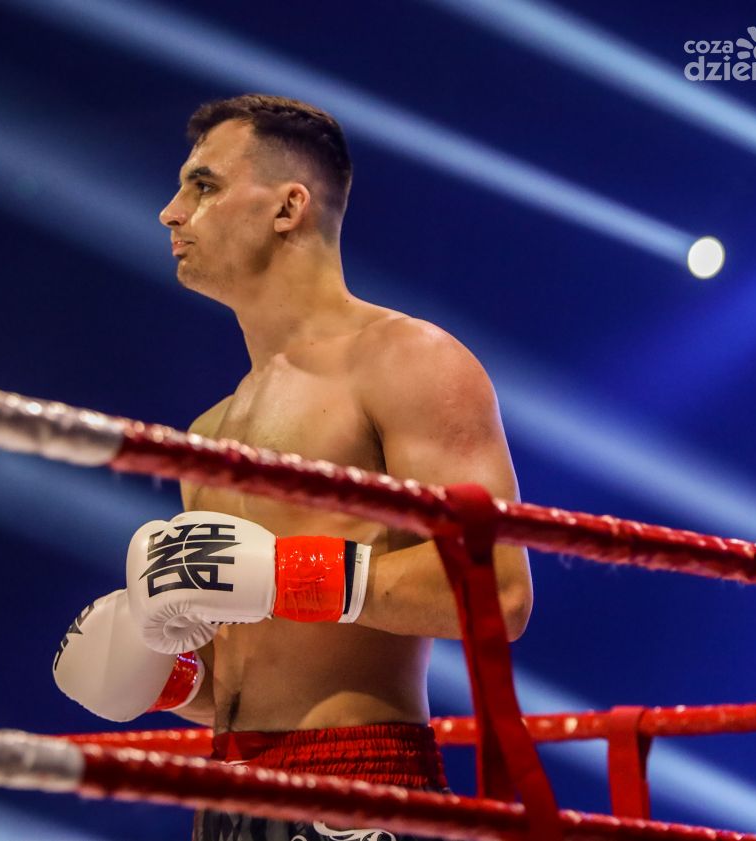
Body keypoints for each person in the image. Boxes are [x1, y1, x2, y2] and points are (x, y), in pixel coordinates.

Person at [53, 94, 533, 841]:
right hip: (226, 799)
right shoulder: (209, 431)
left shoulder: (407, 360)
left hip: (358, 787)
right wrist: (165, 677)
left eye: (203, 185)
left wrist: (287, 574)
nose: (170, 213)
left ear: (288, 207)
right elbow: (253, 669)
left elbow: (499, 591)